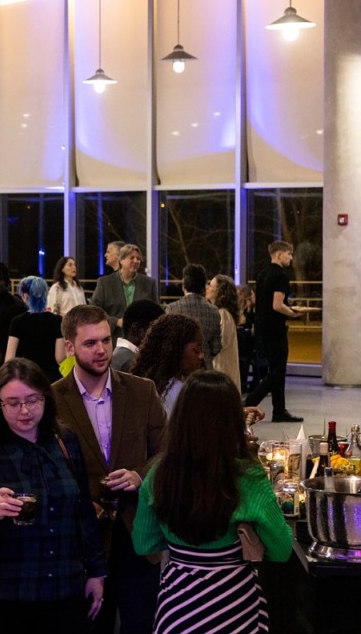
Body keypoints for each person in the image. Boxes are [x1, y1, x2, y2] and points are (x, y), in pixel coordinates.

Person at [0, 359, 107, 633]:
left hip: (63, 588)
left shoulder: (64, 441)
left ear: (46, 399)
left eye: (33, 400)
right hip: (2, 594)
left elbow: (83, 511)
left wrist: (96, 571)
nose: (24, 410)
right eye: (12, 403)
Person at [133, 370, 292, 633]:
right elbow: (281, 550)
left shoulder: (158, 474)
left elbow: (143, 543)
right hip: (235, 609)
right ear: (232, 419)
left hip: (178, 608)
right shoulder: (248, 477)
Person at [51, 305, 165, 634]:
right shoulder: (52, 399)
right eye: (90, 343)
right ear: (70, 347)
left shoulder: (142, 391)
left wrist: (140, 475)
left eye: (105, 340)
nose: (101, 350)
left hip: (137, 534)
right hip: (81, 542)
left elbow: (168, 448)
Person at [244, 241, 304, 423]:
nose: (291, 258)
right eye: (289, 254)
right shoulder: (280, 276)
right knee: (277, 371)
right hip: (275, 329)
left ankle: (279, 410)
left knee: (275, 369)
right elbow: (277, 305)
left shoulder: (262, 274)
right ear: (279, 255)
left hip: (262, 328)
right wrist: (293, 313)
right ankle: (249, 402)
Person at [131, 314, 205, 418]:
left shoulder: (145, 386)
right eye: (197, 350)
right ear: (176, 350)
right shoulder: (181, 395)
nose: (201, 356)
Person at [91, 244, 159, 341]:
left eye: (138, 259)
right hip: (113, 338)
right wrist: (116, 321)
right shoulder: (105, 283)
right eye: (132, 258)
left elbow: (156, 313)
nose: (136, 261)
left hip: (142, 340)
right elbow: (94, 310)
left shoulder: (149, 283)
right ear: (121, 260)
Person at [4, 276, 66, 383]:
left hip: (26, 378)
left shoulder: (17, 321)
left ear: (25, 296)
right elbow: (60, 357)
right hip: (51, 379)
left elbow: (9, 359)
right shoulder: (57, 320)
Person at [164, 264, 221, 369]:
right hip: (205, 368)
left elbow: (168, 343)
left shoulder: (172, 309)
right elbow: (216, 347)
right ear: (203, 286)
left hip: (179, 368)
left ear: (184, 284)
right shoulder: (214, 311)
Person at [207, 274, 242, 391]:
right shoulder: (222, 313)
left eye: (211, 285)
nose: (208, 288)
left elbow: (221, 342)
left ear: (219, 291)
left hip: (222, 369)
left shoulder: (223, 314)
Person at [110, 300, 164, 373]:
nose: (161, 337)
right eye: (157, 331)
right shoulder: (130, 363)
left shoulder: (122, 356)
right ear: (136, 330)